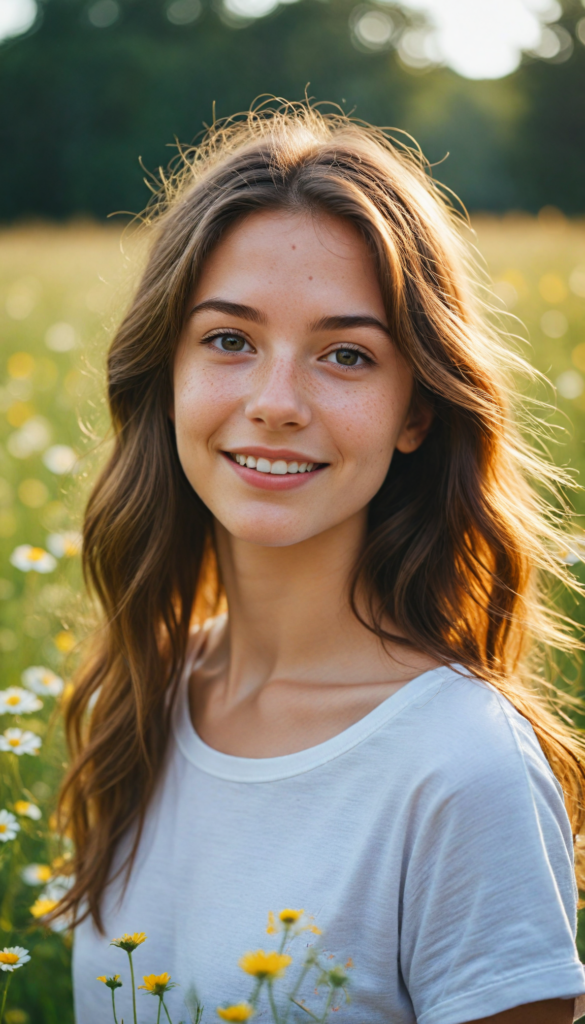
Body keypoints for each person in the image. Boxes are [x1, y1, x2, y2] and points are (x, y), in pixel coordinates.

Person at [61, 102, 585, 1024]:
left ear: (415, 412)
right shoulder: (135, 700)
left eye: (345, 355)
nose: (276, 403)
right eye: (229, 339)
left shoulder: (462, 772)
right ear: (167, 373)